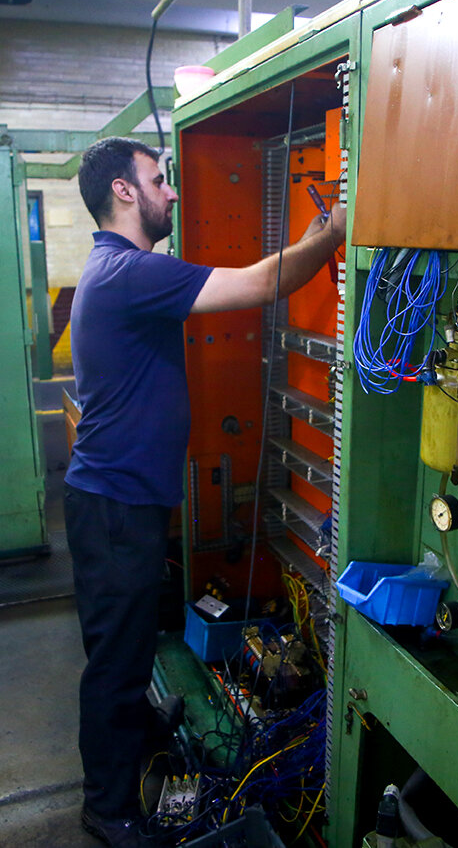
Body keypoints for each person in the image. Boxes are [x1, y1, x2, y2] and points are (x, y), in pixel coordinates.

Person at [65, 136, 346, 848]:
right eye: (159, 179)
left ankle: (137, 729)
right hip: (115, 506)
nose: (172, 191)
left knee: (128, 642)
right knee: (115, 661)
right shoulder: (127, 272)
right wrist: (332, 233)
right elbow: (258, 284)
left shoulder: (116, 271)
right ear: (123, 191)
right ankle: (107, 808)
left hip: (122, 501)